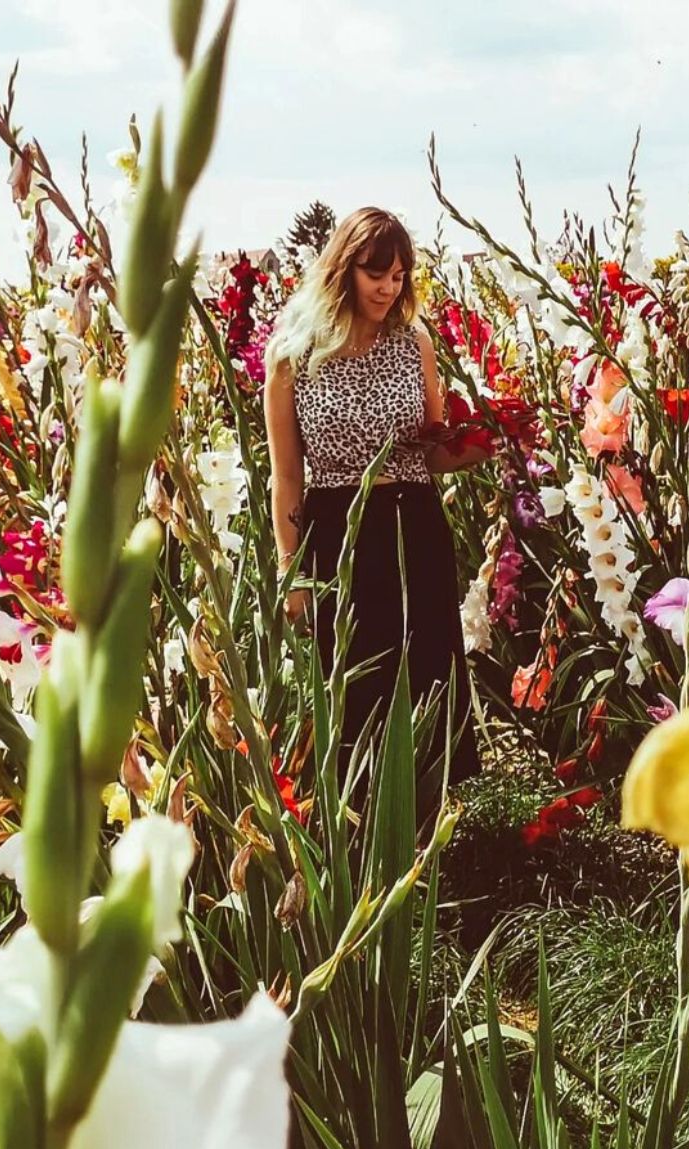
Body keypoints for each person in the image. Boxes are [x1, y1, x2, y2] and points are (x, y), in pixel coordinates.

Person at [262, 207, 488, 804]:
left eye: (400, 276)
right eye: (376, 273)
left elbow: (433, 452)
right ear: (344, 269)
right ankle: (364, 838)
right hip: (338, 533)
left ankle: (430, 833)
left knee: (428, 674)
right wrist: (293, 572)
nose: (390, 288)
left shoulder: (414, 343)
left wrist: (490, 442)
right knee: (357, 684)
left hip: (416, 525)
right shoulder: (293, 355)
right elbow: (287, 477)